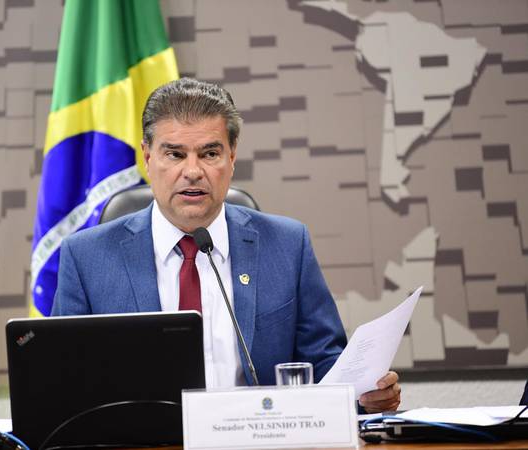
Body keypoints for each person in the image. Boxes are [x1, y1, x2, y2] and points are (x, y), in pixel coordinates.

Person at [52, 78, 401, 413]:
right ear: (147, 156)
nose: (192, 171)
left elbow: (325, 365)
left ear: (231, 157)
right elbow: (62, 381)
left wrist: (365, 394)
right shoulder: (86, 258)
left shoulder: (287, 245)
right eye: (175, 154)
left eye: (209, 153)